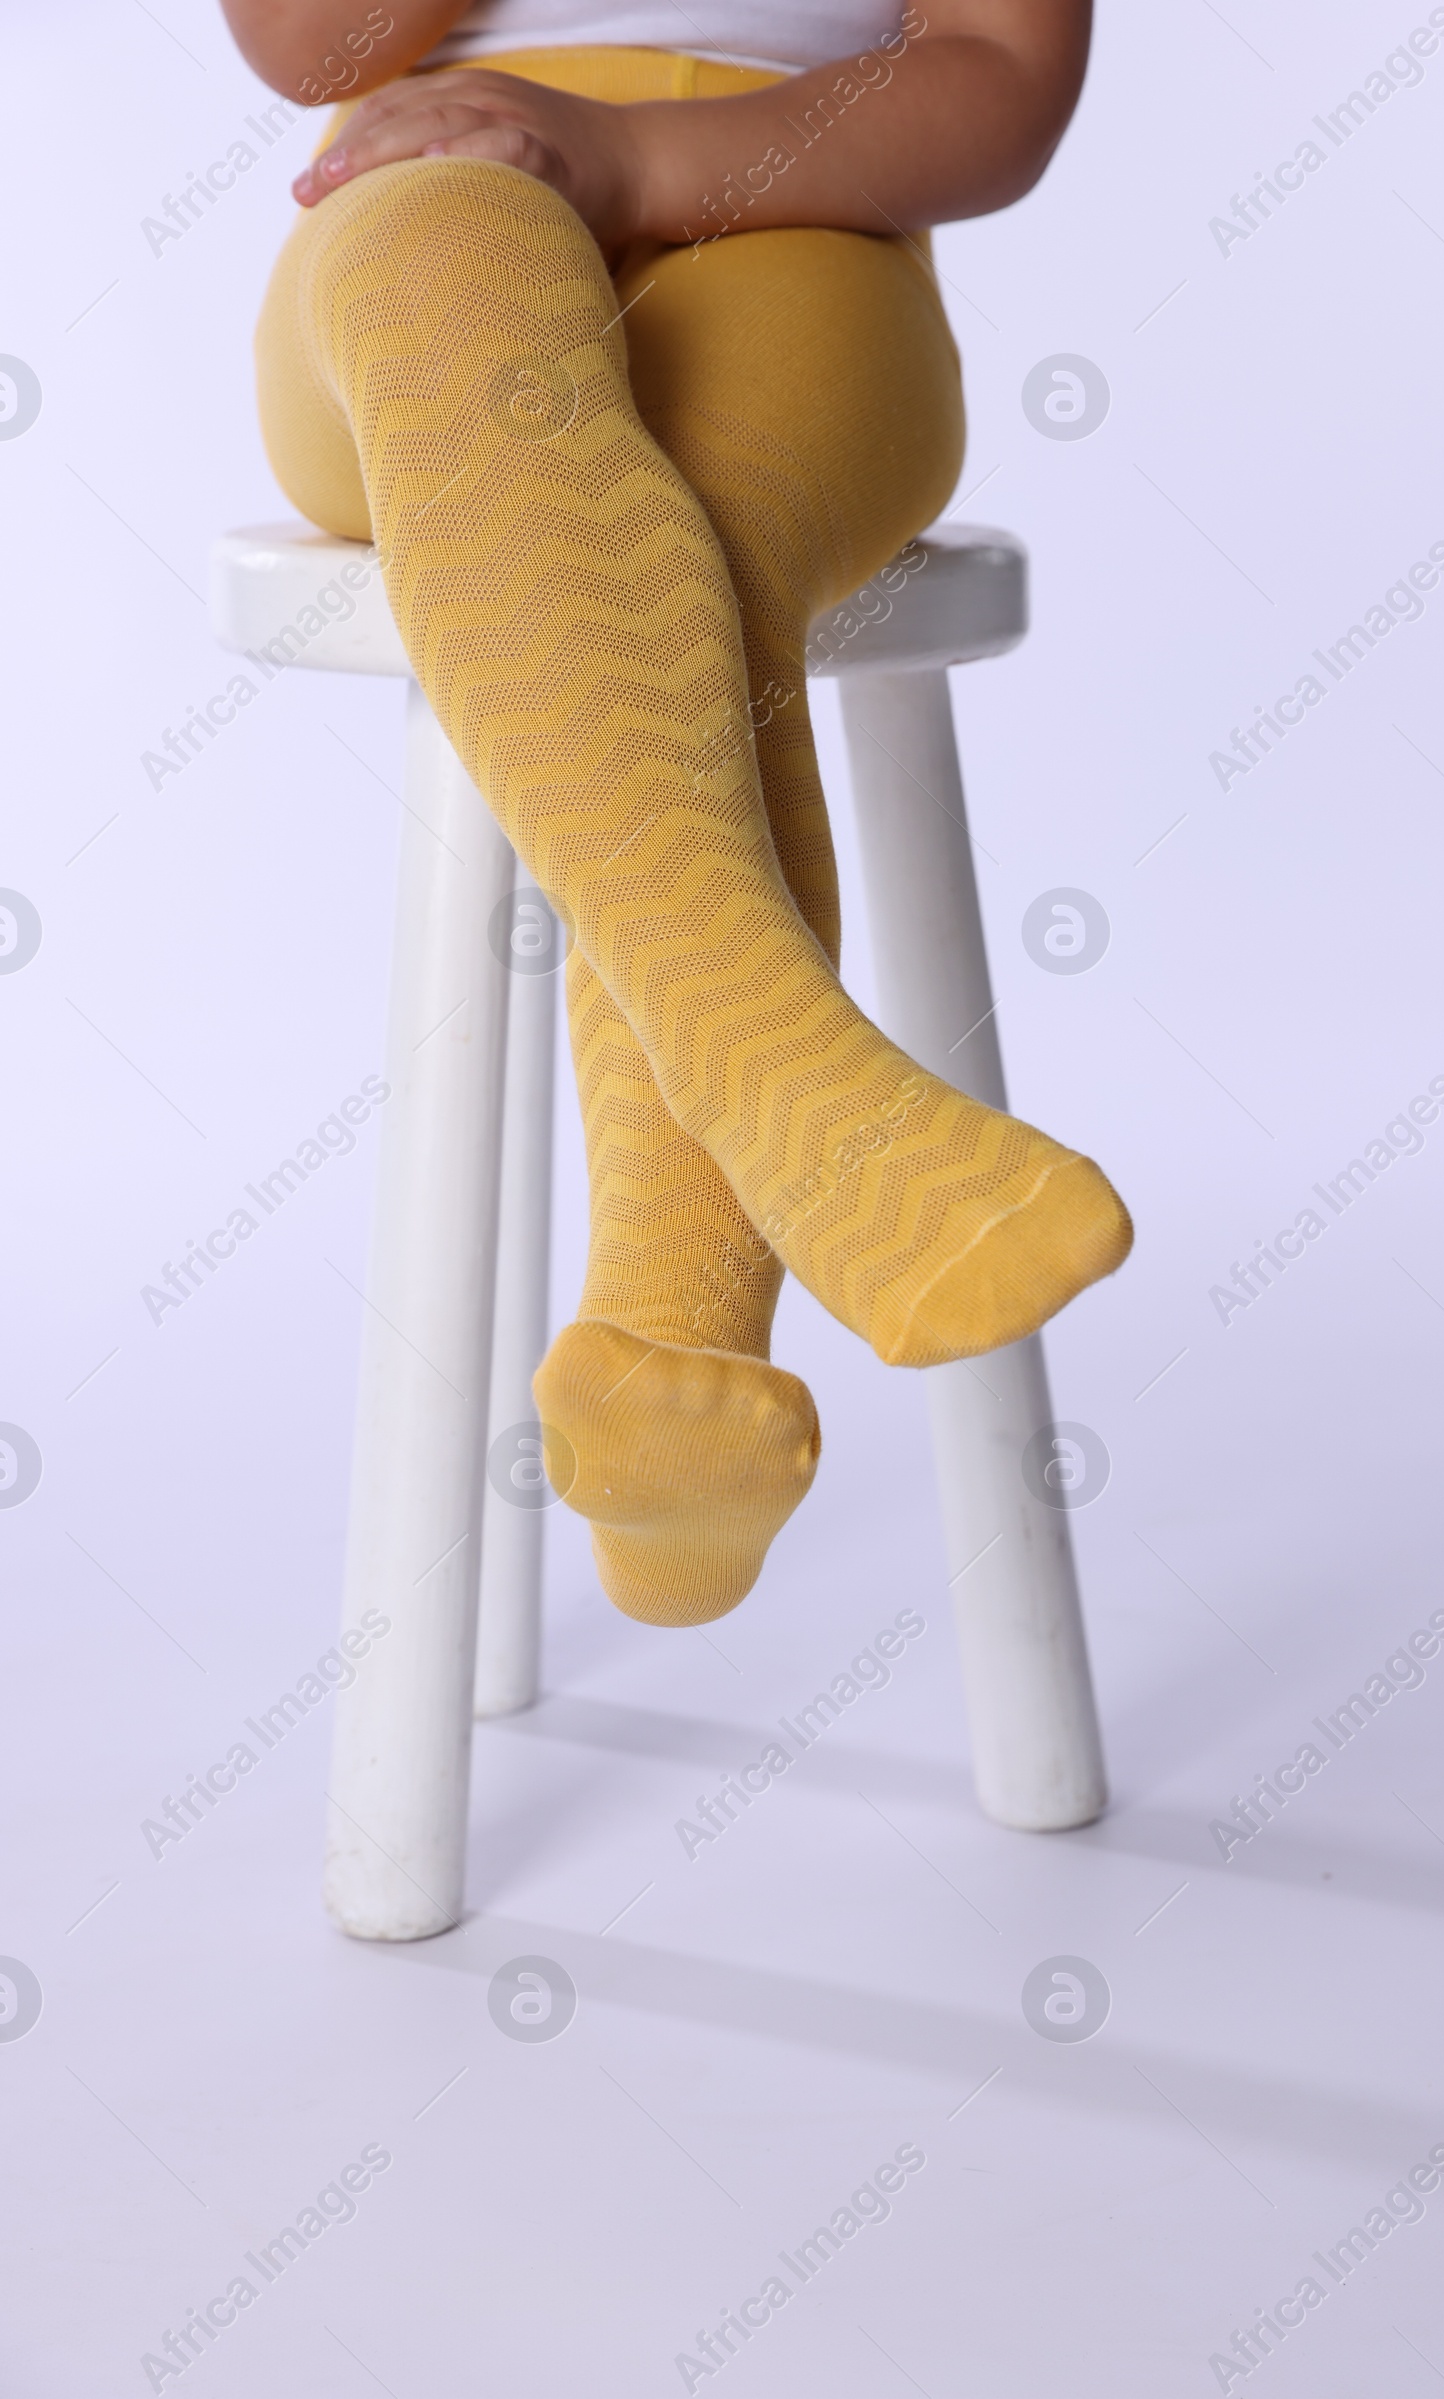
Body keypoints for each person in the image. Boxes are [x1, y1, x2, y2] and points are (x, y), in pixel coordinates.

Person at [223, 0, 1129, 1628]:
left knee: (695, 550)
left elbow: (1001, 84)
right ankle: (798, 1110)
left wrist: (634, 154)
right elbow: (309, 41)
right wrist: (540, 141)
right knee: (455, 274)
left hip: (800, 220)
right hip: (429, 202)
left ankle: (667, 1331)